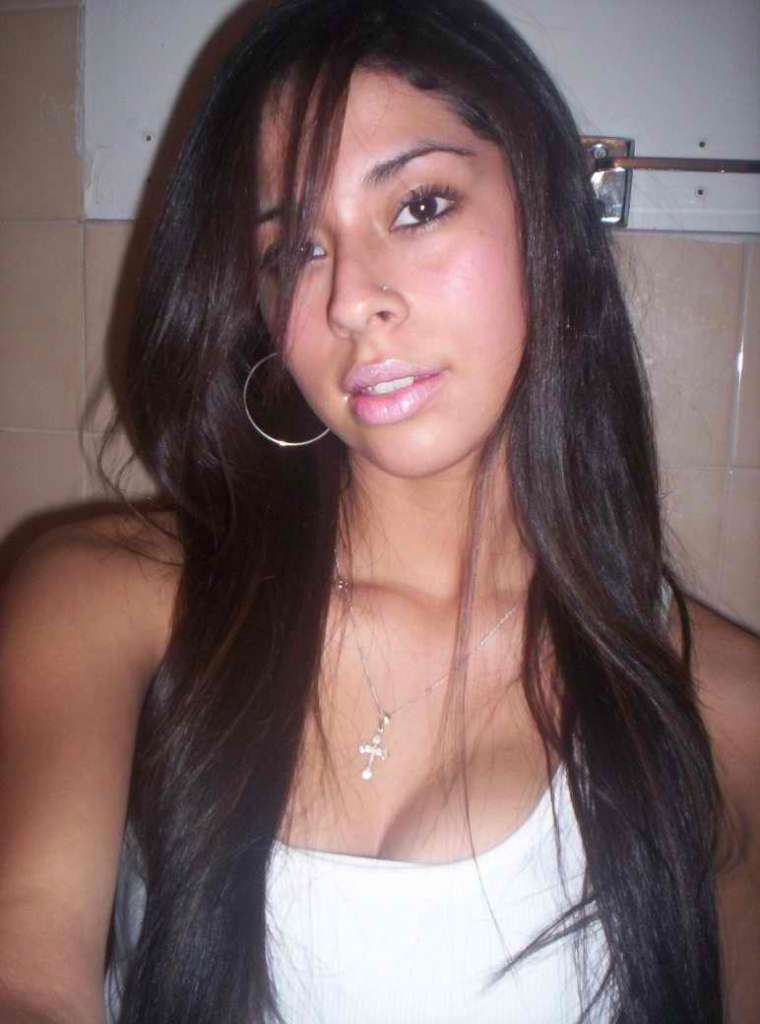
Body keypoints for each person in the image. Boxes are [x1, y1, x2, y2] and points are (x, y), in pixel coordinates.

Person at [0, 0, 758, 1021]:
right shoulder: (104, 598)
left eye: (418, 206)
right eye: (293, 252)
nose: (351, 297)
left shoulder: (722, 710)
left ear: (546, 215)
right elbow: (25, 971)